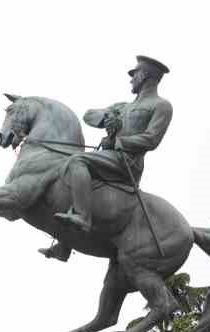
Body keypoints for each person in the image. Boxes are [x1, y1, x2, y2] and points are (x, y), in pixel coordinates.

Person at [54, 55, 172, 238]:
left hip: (128, 162)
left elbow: (152, 139)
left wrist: (118, 142)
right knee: (78, 182)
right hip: (110, 158)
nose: (131, 79)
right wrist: (107, 118)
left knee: (77, 162)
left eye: (135, 74)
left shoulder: (161, 106)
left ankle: (83, 217)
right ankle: (65, 243)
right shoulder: (122, 107)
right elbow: (88, 115)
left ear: (144, 76)